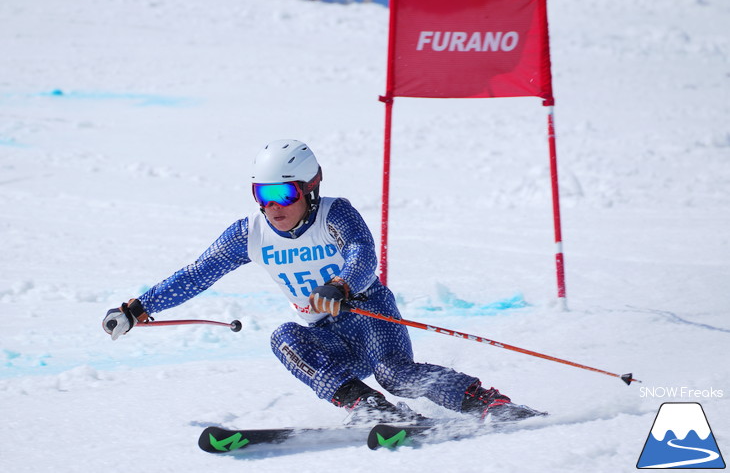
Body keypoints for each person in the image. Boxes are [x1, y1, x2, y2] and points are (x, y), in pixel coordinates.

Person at [103, 139, 543, 424]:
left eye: (284, 194)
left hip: (368, 314)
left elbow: (362, 254)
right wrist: (139, 307)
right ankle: (373, 410)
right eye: (262, 195)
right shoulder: (249, 233)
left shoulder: (335, 213)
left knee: (395, 373)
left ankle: (488, 403)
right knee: (284, 338)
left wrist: (342, 285)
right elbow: (197, 272)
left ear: (310, 188)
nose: (273, 207)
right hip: (324, 336)